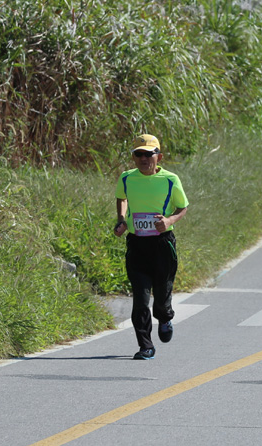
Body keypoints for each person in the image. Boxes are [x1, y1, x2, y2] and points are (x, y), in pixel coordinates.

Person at [114, 134, 189, 360]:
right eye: (139, 154)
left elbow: (182, 207)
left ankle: (165, 317)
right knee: (140, 297)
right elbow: (122, 197)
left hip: (162, 244)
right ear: (133, 157)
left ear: (159, 156)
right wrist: (121, 219)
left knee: (162, 291)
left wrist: (168, 222)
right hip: (137, 244)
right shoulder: (127, 178)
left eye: (149, 154)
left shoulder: (170, 180)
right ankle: (145, 346)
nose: (144, 158)